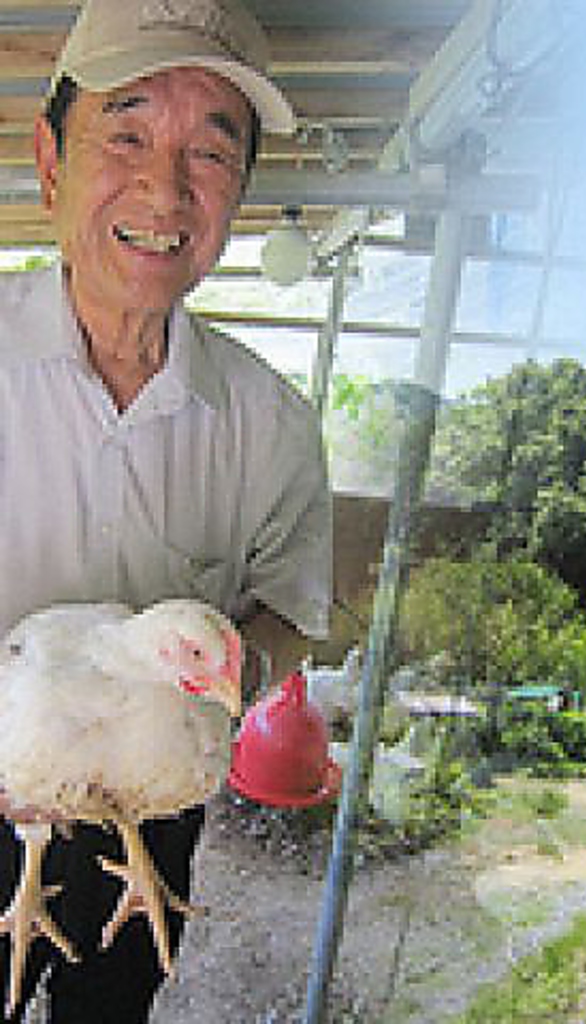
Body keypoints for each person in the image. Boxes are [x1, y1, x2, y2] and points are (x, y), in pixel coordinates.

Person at [0, 0, 332, 1019]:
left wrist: (230, 667)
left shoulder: (270, 422)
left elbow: (300, 610)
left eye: (212, 154)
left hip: (153, 799)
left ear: (238, 196)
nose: (164, 187)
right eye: (128, 133)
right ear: (51, 159)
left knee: (110, 1011)